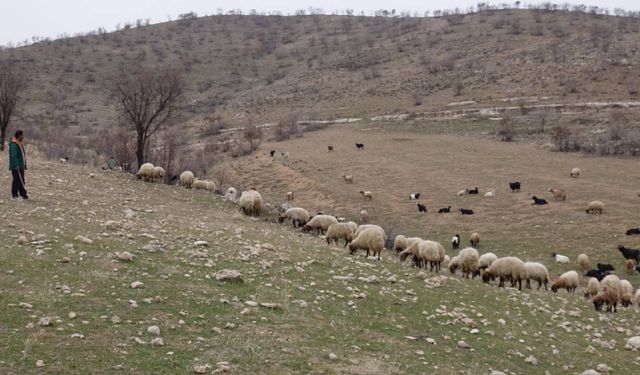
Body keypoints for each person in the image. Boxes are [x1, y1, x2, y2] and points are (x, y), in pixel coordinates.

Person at [8, 129, 28, 200]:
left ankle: (23, 195)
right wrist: (16, 165)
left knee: (21, 180)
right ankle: (14, 195)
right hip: (16, 167)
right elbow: (13, 155)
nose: (23, 137)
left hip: (20, 166)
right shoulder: (14, 144)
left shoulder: (19, 143)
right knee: (16, 181)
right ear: (19, 136)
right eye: (22, 135)